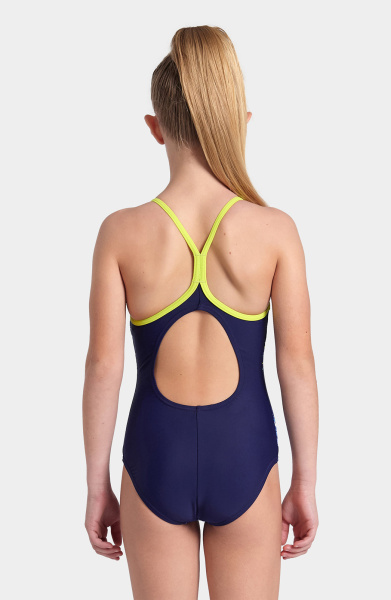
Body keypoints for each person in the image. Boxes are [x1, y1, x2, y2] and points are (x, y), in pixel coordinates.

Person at [83, 25, 319, 600]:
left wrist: (97, 486)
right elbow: (297, 366)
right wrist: (305, 483)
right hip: (246, 454)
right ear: (240, 122)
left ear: (155, 128)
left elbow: (103, 368)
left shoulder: (120, 233)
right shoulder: (275, 232)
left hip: (152, 457)